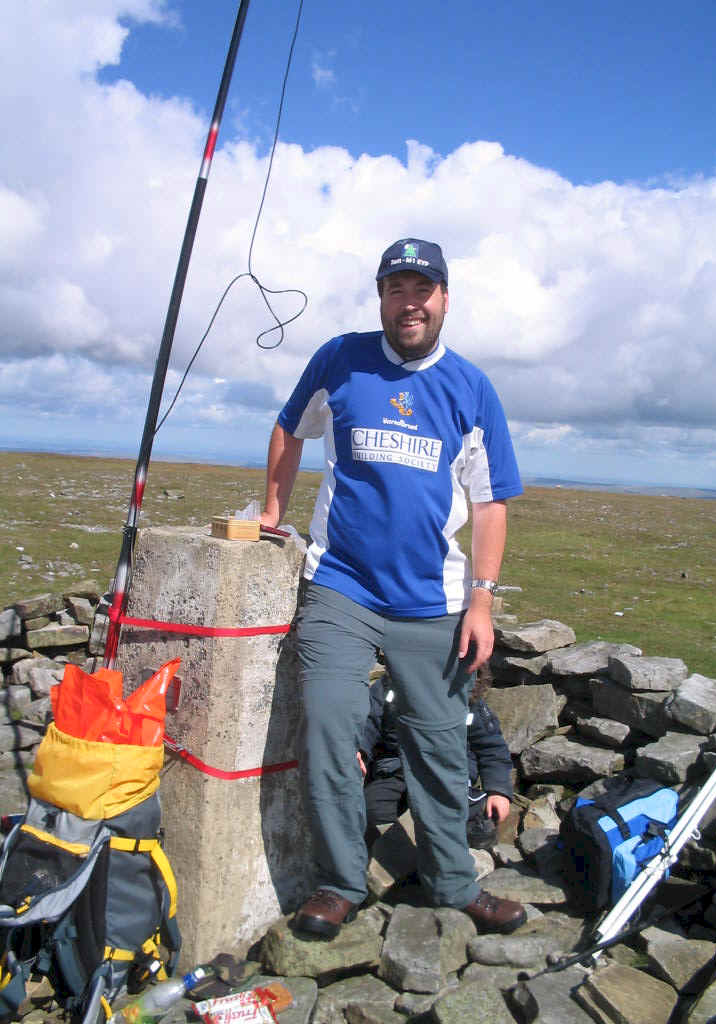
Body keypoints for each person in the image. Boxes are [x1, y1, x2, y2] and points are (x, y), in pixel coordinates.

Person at [261, 238, 525, 939]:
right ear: (380, 297)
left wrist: (482, 599)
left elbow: (492, 501)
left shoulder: (470, 388)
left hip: (432, 600)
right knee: (327, 725)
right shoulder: (340, 359)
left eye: (422, 289)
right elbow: (290, 427)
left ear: (444, 299)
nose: (409, 302)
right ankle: (342, 881)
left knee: (439, 743)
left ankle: (452, 883)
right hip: (341, 585)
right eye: (396, 288)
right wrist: (270, 515)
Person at [359, 673, 514, 851]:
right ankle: (395, 860)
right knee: (370, 812)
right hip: (398, 770)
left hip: (449, 775)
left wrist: (498, 790)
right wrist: (359, 750)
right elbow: (367, 721)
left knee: (479, 827)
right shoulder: (389, 686)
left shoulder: (468, 697)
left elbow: (492, 748)